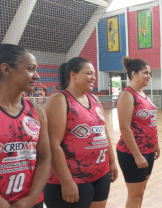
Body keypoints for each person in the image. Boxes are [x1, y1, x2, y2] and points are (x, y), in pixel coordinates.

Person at [43, 57, 118, 208]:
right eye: (89, 73)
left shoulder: (95, 99)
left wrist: (112, 161)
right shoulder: (59, 100)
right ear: (73, 75)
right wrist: (67, 182)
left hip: (101, 174)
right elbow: (53, 145)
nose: (94, 77)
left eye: (94, 74)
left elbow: (104, 133)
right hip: (73, 177)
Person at [0, 44, 51, 208]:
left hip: (31, 202)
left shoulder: (37, 111)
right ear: (6, 70)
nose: (36, 76)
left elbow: (44, 157)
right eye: (30, 69)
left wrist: (31, 199)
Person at [116, 57, 160, 208]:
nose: (149, 76)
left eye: (150, 73)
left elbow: (150, 122)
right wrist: (137, 155)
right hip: (132, 153)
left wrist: (156, 144)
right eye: (145, 73)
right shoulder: (127, 95)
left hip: (148, 150)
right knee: (135, 195)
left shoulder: (143, 94)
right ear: (134, 73)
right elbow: (124, 128)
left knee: (140, 192)